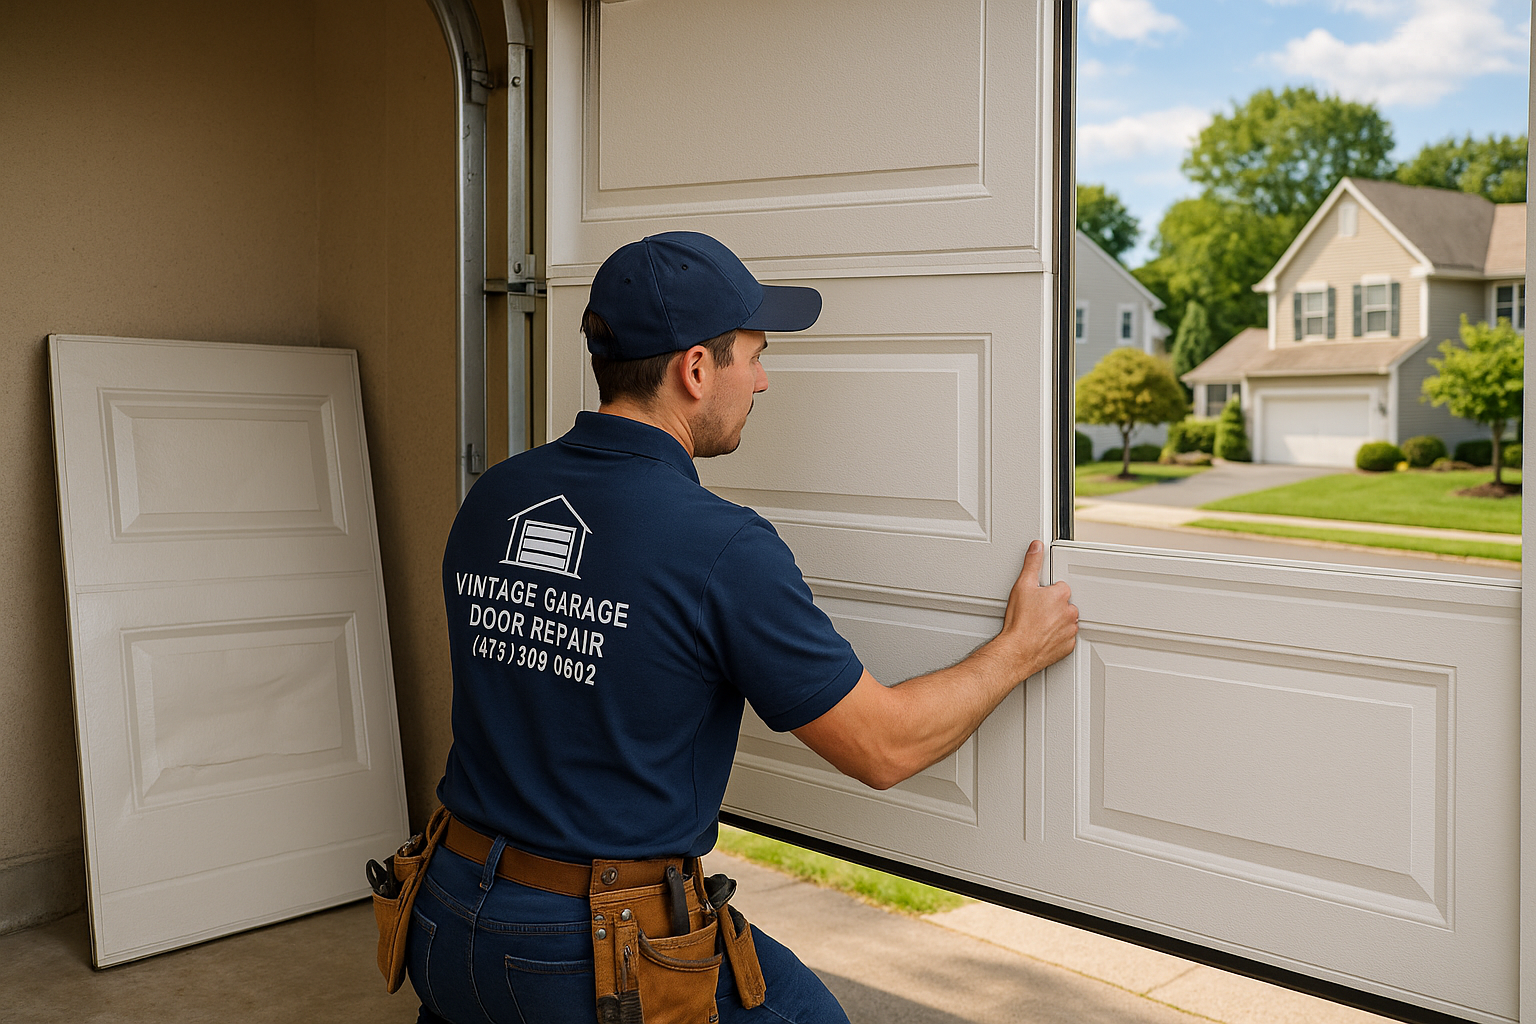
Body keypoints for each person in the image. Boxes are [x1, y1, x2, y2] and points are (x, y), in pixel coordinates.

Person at [407, 231, 1078, 1024]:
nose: (762, 379)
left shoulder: (496, 495)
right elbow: (885, 746)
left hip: (441, 919)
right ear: (696, 369)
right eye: (752, 356)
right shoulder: (718, 546)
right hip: (581, 954)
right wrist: (1017, 650)